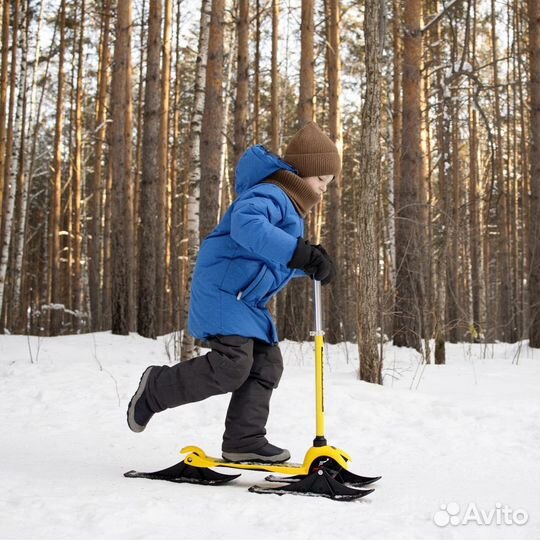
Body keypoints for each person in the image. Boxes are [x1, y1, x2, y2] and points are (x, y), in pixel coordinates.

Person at [127, 121, 341, 463]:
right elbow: (247, 227)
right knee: (232, 365)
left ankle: (244, 439)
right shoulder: (269, 194)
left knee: (266, 365)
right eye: (321, 181)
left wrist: (310, 263)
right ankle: (156, 388)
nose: (322, 190)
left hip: (246, 301)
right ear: (303, 172)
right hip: (223, 292)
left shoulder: (289, 208)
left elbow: (268, 259)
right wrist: (298, 251)